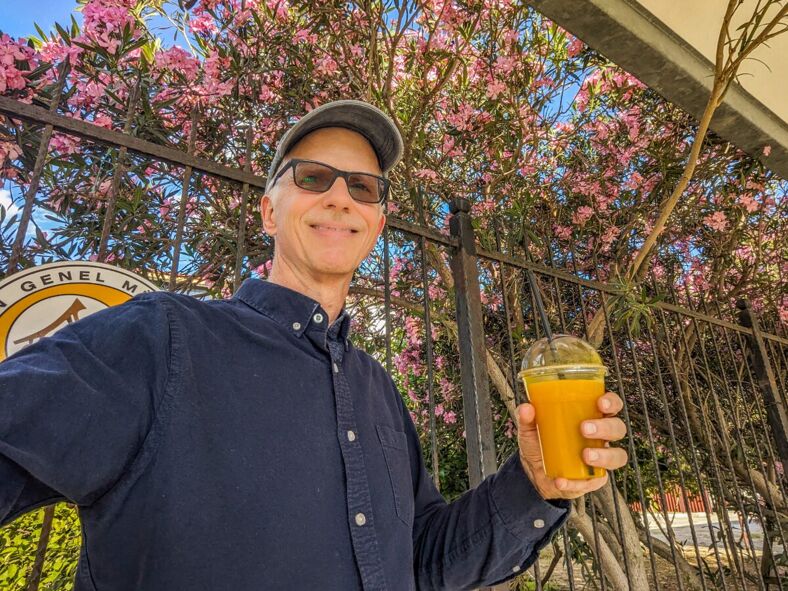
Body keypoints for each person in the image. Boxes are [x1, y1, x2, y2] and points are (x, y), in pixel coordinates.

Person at [0, 100, 628, 590]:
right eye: (313, 177)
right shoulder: (159, 339)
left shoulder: (376, 386)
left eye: (363, 187)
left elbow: (427, 562)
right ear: (270, 213)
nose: (339, 196)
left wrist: (536, 483)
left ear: (377, 224)